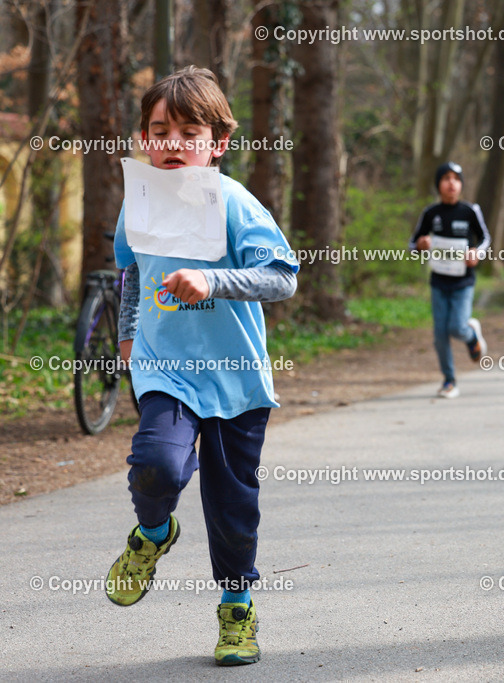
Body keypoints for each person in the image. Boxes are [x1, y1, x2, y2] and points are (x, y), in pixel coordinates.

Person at [107, 66, 299, 666]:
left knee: (231, 504)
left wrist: (212, 279)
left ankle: (237, 608)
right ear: (143, 138)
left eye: (189, 132)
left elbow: (282, 278)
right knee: (157, 466)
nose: (171, 143)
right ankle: (155, 533)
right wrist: (128, 338)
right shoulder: (136, 202)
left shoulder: (235, 203)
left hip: (236, 378)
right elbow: (133, 273)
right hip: (165, 369)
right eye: (159, 130)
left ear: (216, 143)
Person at [410, 161, 491, 398]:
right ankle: (449, 380)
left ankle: (471, 333)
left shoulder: (470, 211)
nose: (451, 183)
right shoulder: (430, 213)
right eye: (445, 178)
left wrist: (477, 253)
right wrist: (420, 245)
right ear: (438, 185)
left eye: (456, 179)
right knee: (440, 334)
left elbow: (485, 238)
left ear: (461, 184)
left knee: (456, 327)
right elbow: (412, 244)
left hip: (463, 281)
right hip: (438, 281)